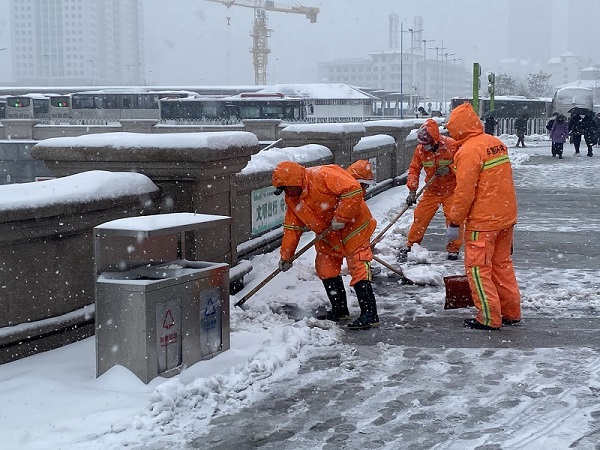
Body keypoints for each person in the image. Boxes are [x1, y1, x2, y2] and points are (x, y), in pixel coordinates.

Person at [272, 161, 379, 330]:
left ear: (297, 182)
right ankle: (339, 309)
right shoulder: (292, 198)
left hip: (353, 227)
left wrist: (341, 217)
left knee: (358, 266)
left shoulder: (322, 175)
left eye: (288, 188)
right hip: (328, 235)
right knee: (326, 269)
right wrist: (286, 256)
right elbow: (292, 228)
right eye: (284, 190)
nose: (288, 192)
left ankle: (369, 313)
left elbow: (353, 189)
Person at [444, 102, 521, 330]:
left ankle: (488, 317)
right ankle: (510, 312)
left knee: (478, 269)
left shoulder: (468, 151)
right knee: (502, 265)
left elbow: (464, 192)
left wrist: (455, 220)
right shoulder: (495, 143)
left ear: (459, 128)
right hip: (505, 215)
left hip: (484, 220)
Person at [398, 119, 463, 262]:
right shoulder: (420, 150)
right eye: (422, 144)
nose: (424, 147)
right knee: (420, 216)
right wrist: (412, 190)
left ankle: (454, 248)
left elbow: (464, 166)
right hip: (432, 190)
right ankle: (412, 244)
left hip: (451, 189)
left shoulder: (451, 146)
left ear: (434, 140)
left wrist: (450, 169)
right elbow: (414, 169)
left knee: (454, 219)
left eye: (427, 144)